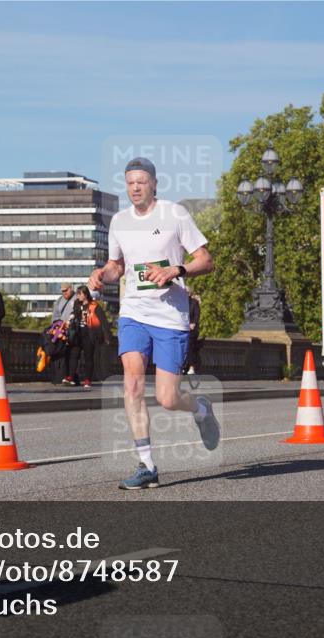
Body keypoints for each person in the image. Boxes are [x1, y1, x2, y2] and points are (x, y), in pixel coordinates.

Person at [88, 156, 219, 490]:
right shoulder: (119, 221)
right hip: (134, 313)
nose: (135, 187)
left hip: (170, 316)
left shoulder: (174, 214)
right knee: (131, 384)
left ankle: (200, 408)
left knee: (167, 398)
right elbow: (117, 265)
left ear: (154, 184)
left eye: (141, 181)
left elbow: (206, 260)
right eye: (130, 182)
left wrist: (177, 270)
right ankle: (147, 466)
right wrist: (104, 274)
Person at [68, 285, 111, 389]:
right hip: (78, 334)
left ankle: (87, 380)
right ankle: (70, 376)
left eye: (80, 294)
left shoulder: (94, 305)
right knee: (74, 354)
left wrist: (107, 336)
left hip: (89, 334)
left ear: (85, 294)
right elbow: (75, 315)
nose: (78, 296)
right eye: (77, 294)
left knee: (88, 357)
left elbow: (103, 321)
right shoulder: (76, 304)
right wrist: (72, 316)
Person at [51, 282, 77, 385]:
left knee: (73, 354)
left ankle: (71, 376)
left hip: (73, 330)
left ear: (71, 289)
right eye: (62, 291)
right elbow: (55, 316)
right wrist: (56, 326)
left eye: (66, 290)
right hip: (61, 331)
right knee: (62, 354)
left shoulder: (76, 299)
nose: (64, 293)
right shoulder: (59, 300)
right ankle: (63, 376)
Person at [185, 289, 202, 375]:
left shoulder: (194, 302)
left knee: (190, 346)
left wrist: (194, 323)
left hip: (191, 329)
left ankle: (191, 366)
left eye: (186, 292)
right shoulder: (180, 302)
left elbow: (197, 315)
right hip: (181, 328)